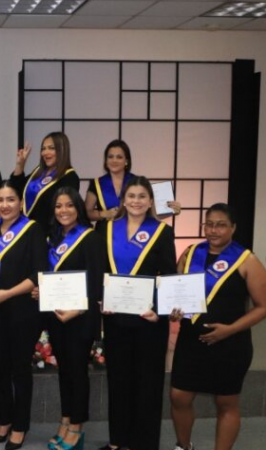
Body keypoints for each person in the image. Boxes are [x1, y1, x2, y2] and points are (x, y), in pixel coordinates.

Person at [169, 203, 266, 450]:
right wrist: (172, 309)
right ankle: (183, 446)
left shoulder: (247, 260)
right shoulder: (191, 253)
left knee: (226, 402)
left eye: (221, 225)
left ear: (233, 227)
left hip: (230, 343)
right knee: (179, 396)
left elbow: (263, 306)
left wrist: (230, 330)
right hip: (191, 341)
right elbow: (175, 292)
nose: (213, 230)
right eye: (209, 224)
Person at [99, 175, 176, 450]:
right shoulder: (107, 229)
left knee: (148, 384)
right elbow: (99, 271)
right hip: (116, 317)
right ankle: (118, 440)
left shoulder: (162, 231)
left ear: (150, 201)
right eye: (131, 196)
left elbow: (168, 275)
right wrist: (101, 299)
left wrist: (160, 312)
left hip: (149, 320)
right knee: (118, 381)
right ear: (123, 200)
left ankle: (144, 443)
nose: (136, 201)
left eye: (142, 196)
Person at [0, 181, 47, 450]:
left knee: (19, 369)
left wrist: (8, 293)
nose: (4, 205)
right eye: (0, 200)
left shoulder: (32, 229)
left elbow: (38, 273)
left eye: (10, 199)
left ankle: (20, 425)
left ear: (20, 203)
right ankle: (5, 419)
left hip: (22, 311)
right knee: (0, 368)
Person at [42, 187, 106, 450]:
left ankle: (77, 428)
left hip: (79, 318)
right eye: (58, 206)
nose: (63, 211)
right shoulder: (53, 239)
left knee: (78, 373)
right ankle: (66, 419)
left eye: (69, 205)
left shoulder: (90, 238)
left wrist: (77, 310)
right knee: (65, 371)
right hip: (57, 317)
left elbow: (96, 282)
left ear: (78, 208)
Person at [85, 140, 180, 231]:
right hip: (105, 235)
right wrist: (103, 214)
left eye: (119, 157)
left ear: (126, 161)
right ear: (105, 161)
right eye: (110, 157)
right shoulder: (97, 183)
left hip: (134, 233)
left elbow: (150, 212)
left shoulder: (137, 182)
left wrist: (171, 209)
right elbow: (87, 213)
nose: (114, 160)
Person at [11, 132, 80, 234]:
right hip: (25, 230)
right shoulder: (39, 171)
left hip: (48, 234)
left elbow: (62, 210)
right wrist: (20, 164)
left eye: (51, 148)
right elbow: (14, 190)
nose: (45, 152)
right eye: (43, 149)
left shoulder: (70, 177)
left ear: (62, 150)